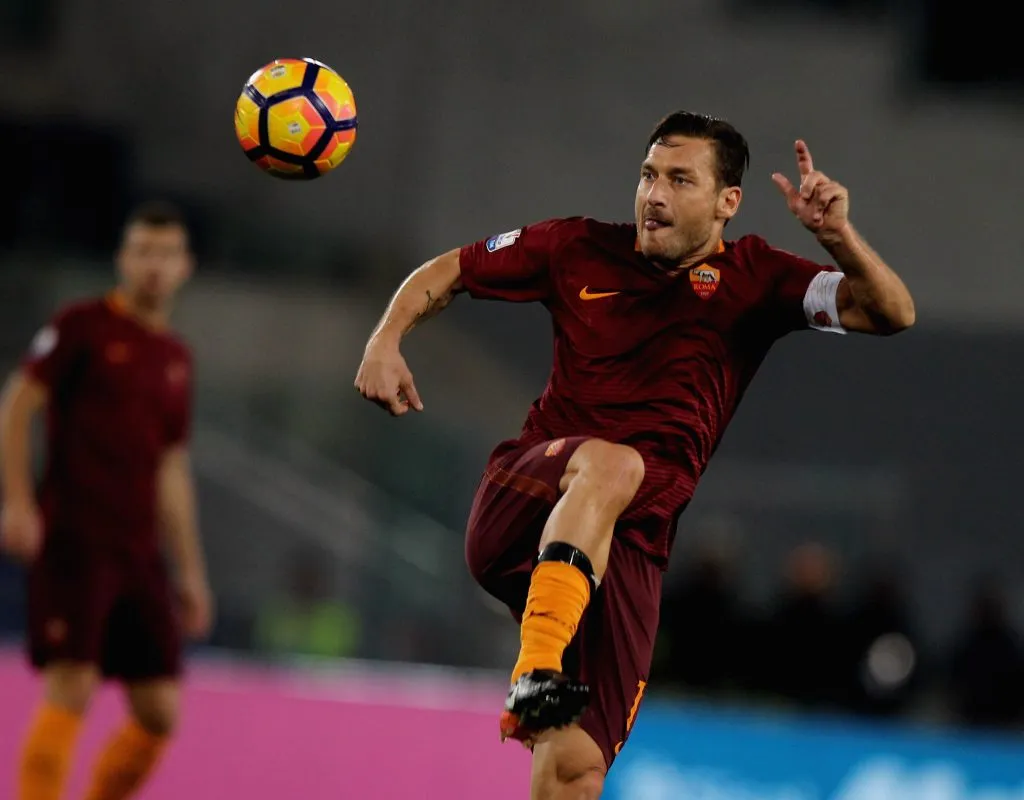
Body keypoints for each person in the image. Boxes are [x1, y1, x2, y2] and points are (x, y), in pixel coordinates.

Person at [355, 111, 914, 798]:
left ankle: (545, 680)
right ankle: (535, 671)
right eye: (649, 175)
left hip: (631, 546)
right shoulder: (576, 248)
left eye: (680, 180)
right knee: (615, 463)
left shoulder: (757, 278)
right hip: (527, 498)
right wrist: (386, 340)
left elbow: (891, 313)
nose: (654, 194)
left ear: (726, 202)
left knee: (578, 769)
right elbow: (452, 269)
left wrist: (840, 240)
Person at [0, 201, 213, 800]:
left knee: (160, 711)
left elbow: (172, 466)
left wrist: (190, 570)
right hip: (75, 537)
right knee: (72, 686)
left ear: (185, 266)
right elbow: (18, 404)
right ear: (123, 258)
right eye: (142, 250)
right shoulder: (81, 326)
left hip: (139, 551)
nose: (153, 265)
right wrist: (18, 502)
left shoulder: (176, 358)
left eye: (165, 253)